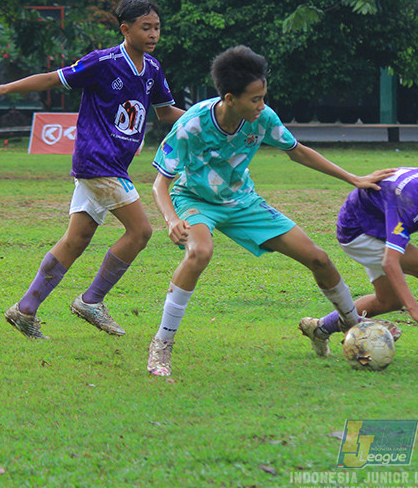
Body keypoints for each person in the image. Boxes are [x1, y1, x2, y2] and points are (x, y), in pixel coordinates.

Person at [146, 45, 395, 377]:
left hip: (243, 201)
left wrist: (352, 178)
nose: (261, 105)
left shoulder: (263, 119)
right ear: (230, 99)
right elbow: (159, 183)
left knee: (318, 257)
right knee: (200, 252)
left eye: (263, 97)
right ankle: (162, 344)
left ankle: (352, 325)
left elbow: (298, 152)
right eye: (255, 99)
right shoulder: (191, 125)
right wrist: (172, 219)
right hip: (195, 200)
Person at [0, 0, 185, 339]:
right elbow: (53, 79)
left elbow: (165, 112)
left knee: (77, 238)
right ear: (125, 30)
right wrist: (5, 87)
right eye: (146, 27)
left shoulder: (153, 69)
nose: (154, 33)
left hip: (112, 165)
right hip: (98, 162)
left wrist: (206, 120)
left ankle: (25, 309)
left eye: (157, 27)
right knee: (141, 231)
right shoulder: (104, 61)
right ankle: (91, 300)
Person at [300, 150, 418, 375]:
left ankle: (320, 328)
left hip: (374, 224)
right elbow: (391, 262)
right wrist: (413, 307)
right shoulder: (411, 200)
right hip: (359, 231)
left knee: (388, 301)